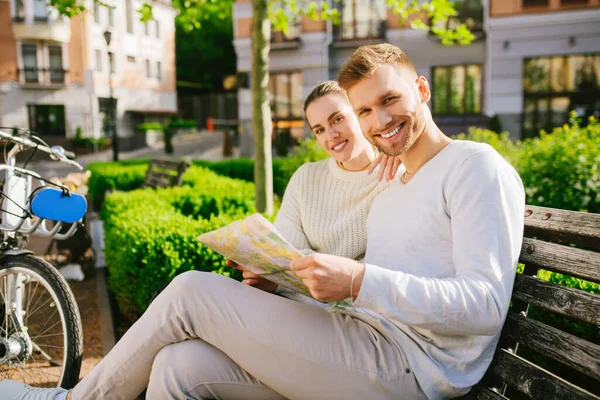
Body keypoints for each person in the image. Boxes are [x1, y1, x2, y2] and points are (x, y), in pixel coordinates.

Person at [2, 43, 525, 400]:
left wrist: (359, 280)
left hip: (412, 369)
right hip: (357, 340)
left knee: (190, 292)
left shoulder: (475, 167)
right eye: (366, 111)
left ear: (422, 90)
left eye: (390, 101)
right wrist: (278, 275)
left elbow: (482, 307)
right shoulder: (396, 184)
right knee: (177, 368)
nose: (380, 121)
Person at [0, 81, 404, 400]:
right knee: (175, 364)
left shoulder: (396, 176)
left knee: (190, 288)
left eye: (338, 119)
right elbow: (287, 258)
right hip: (293, 326)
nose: (330, 135)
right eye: (318, 128)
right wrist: (264, 274)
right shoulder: (307, 179)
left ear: (362, 115)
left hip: (348, 343)